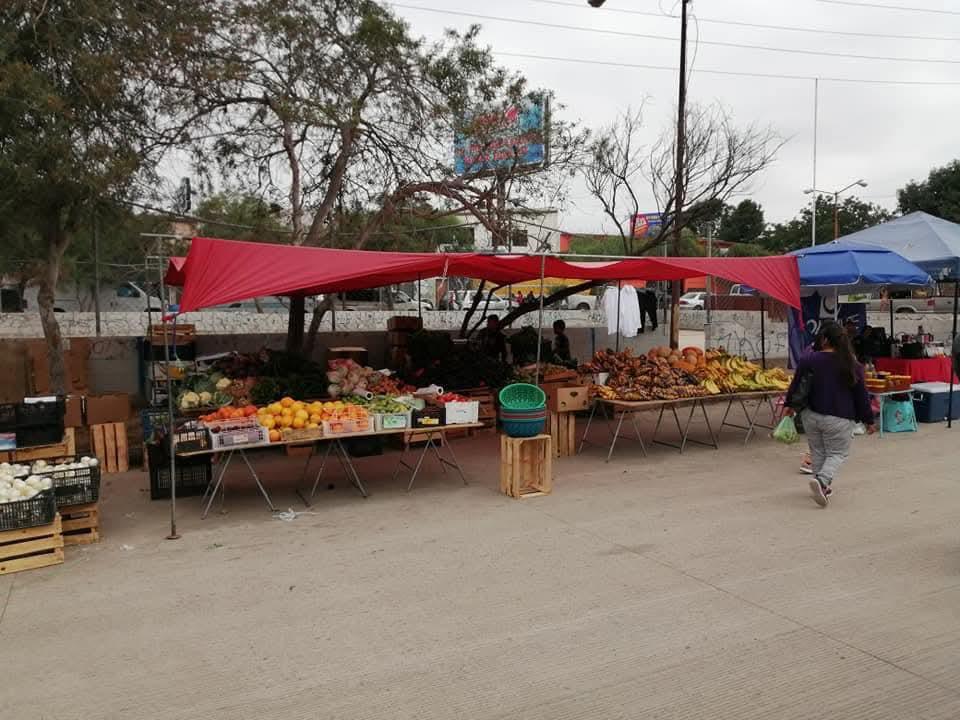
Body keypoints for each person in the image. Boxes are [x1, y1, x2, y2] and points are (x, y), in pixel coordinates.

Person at [785, 320, 876, 507]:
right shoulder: (853, 364)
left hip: (810, 415)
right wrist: (869, 420)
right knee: (837, 454)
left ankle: (823, 489)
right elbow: (861, 396)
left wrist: (789, 405)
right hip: (840, 418)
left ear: (825, 340)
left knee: (818, 451)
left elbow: (796, 384)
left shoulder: (809, 359)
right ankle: (822, 480)